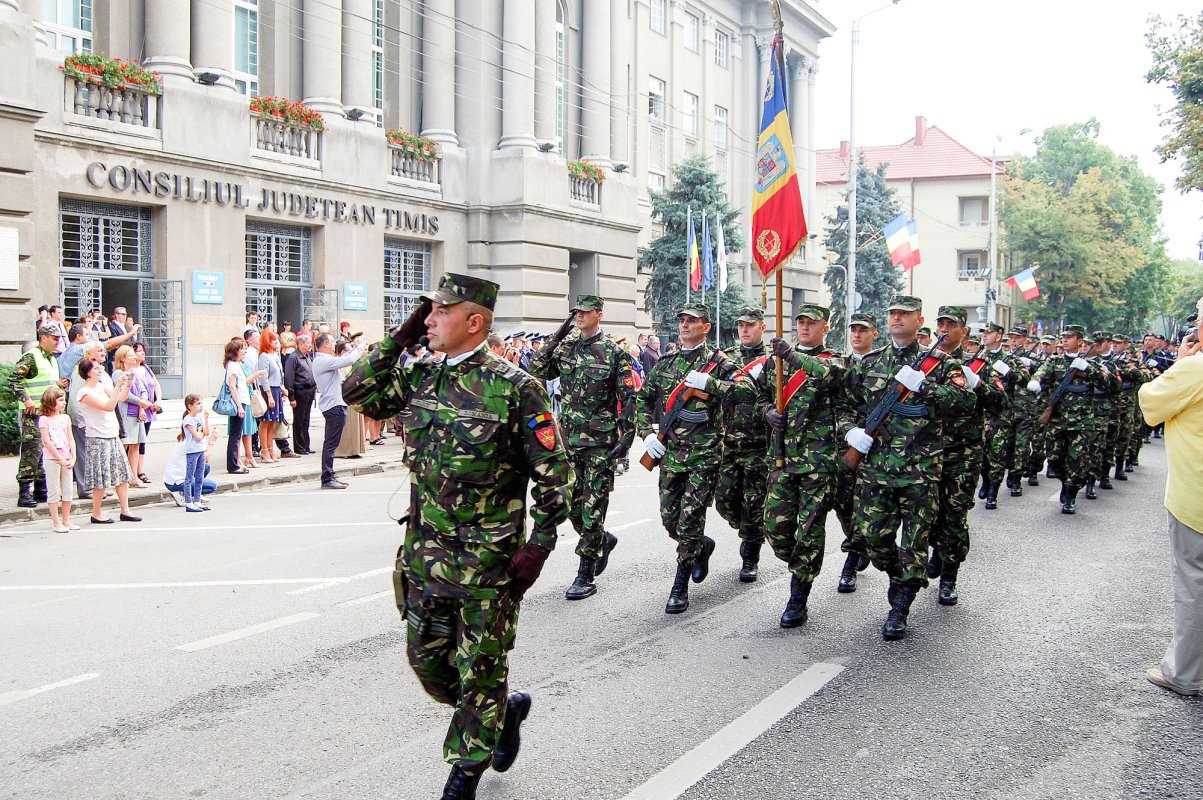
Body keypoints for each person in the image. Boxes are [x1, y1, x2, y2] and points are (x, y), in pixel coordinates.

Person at [350, 272, 572, 799]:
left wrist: (538, 545)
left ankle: (463, 776)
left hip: (487, 566)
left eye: (440, 312)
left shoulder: (517, 388)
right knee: (429, 666)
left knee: (479, 670)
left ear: (475, 322)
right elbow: (360, 392)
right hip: (425, 559)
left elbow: (555, 474)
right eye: (427, 312)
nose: (428, 320)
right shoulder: (421, 376)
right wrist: (399, 340)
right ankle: (504, 710)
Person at [842, 295, 972, 640]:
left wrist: (925, 387)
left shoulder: (942, 365)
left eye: (905, 314)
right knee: (871, 538)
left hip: (920, 471)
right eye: (893, 313)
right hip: (876, 469)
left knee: (915, 543)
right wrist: (851, 432)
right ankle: (901, 577)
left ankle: (900, 607)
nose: (897, 318)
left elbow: (966, 402)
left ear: (919, 320)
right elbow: (844, 404)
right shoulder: (869, 363)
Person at [636, 303, 752, 614]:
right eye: (682, 320)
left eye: (692, 321)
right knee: (669, 519)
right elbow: (642, 399)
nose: (685, 325)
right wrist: (647, 433)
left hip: (705, 456)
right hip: (671, 453)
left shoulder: (718, 363)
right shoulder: (666, 364)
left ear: (706, 327)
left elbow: (748, 393)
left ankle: (680, 585)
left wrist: (710, 385)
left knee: (689, 520)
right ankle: (702, 546)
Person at [528, 294, 634, 600]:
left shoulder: (615, 353)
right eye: (576, 312)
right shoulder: (567, 347)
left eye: (585, 312)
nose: (579, 316)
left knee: (592, 506)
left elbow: (628, 398)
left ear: (599, 314)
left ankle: (585, 572)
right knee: (571, 505)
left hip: (601, 443)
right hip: (569, 440)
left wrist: (626, 439)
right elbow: (536, 369)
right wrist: (557, 335)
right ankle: (602, 539)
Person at [759, 304, 845, 626]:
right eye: (801, 322)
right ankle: (799, 563)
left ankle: (798, 597)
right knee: (775, 526)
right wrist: (767, 411)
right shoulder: (776, 362)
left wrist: (792, 357)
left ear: (825, 327)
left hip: (817, 462)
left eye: (813, 322)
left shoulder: (835, 359)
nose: (805, 327)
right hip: (781, 457)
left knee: (809, 529)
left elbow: (828, 377)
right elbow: (757, 397)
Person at [1139, 300, 1203, 697]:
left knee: (1193, 582)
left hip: (1195, 495)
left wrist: (1180, 362)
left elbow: (1151, 404)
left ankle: (1184, 672)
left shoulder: (1195, 369)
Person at [929, 306, 1006, 606]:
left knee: (954, 515)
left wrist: (978, 384)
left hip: (962, 453)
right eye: (941, 323)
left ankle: (949, 576)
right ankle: (936, 551)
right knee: (926, 513)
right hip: (926, 451)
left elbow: (1002, 402)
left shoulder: (981, 365)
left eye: (952, 324)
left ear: (964, 331)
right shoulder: (926, 362)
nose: (945, 329)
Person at [714, 306, 771, 584]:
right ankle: (749, 529)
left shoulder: (772, 360)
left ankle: (750, 555)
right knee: (724, 501)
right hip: (728, 442)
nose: (744, 330)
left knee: (755, 502)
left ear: (762, 326)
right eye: (741, 325)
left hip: (759, 444)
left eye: (750, 325)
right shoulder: (727, 357)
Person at [1027, 325, 1104, 514]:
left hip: (1082, 422)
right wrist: (1036, 380)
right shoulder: (1056, 362)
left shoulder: (1092, 364)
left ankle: (1070, 496)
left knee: (1077, 461)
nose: (1065, 341)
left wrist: (1089, 370)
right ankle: (1065, 482)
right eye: (1063, 337)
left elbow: (1109, 384)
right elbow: (1043, 371)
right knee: (1054, 459)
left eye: (1069, 338)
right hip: (1058, 420)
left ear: (1080, 341)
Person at [76, 359, 141, 524]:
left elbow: (119, 398)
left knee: (122, 474)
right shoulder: (84, 393)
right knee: (100, 478)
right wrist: (118, 385)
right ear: (87, 372)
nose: (100, 370)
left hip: (112, 435)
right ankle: (96, 513)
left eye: (99, 367)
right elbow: (108, 406)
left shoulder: (101, 386)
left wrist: (127, 384)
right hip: (98, 438)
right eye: (96, 368)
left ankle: (125, 510)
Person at [11, 327, 67, 507]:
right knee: (32, 451)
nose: (57, 341)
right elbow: (13, 380)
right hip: (32, 413)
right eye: (54, 338)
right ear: (43, 338)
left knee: (44, 451)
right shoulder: (31, 356)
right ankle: (24, 493)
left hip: (48, 413)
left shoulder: (51, 358)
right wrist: (26, 399)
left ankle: (41, 490)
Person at [312, 332, 363, 489]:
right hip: (334, 407)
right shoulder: (323, 360)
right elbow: (347, 360)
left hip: (335, 405)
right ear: (325, 344)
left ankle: (329, 475)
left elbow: (344, 360)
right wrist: (360, 346)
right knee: (330, 444)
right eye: (332, 341)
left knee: (331, 443)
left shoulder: (323, 360)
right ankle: (327, 478)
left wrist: (354, 348)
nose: (334, 344)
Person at [111, 345, 153, 488]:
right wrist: (140, 401)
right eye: (130, 354)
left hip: (137, 415)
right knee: (125, 445)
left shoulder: (134, 372)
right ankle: (121, 477)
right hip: (126, 415)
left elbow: (143, 390)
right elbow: (124, 394)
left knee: (136, 446)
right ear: (123, 358)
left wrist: (142, 405)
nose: (134, 356)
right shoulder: (118, 373)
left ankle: (134, 477)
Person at [37, 387, 77, 533]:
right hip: (52, 459)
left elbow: (70, 438)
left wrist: (73, 457)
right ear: (51, 402)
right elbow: (47, 442)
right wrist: (60, 459)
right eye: (60, 400)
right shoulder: (44, 420)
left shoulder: (65, 418)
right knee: (53, 491)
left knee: (68, 490)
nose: (64, 403)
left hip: (67, 458)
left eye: (64, 400)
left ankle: (66, 520)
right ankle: (56, 522)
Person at [224, 338, 264, 473]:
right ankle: (234, 465)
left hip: (243, 401)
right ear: (236, 351)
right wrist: (239, 406)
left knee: (236, 434)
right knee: (235, 435)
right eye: (242, 349)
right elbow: (232, 387)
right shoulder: (233, 366)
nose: (245, 351)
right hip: (239, 402)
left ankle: (235, 463)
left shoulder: (236, 364)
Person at [334, 339, 369, 460]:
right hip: (345, 397)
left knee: (355, 425)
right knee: (347, 426)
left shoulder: (350, 365)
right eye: (347, 350)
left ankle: (355, 449)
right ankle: (344, 450)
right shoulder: (339, 364)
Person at [132, 341, 163, 474]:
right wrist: (143, 406)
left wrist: (158, 401)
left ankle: (140, 470)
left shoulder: (146, 369)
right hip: (138, 409)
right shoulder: (132, 371)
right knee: (136, 442)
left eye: (143, 350)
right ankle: (134, 472)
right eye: (138, 350)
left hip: (150, 408)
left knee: (143, 441)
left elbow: (156, 385)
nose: (142, 353)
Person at [256, 331, 287, 462]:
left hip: (276, 388)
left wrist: (281, 388)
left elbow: (279, 374)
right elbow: (264, 377)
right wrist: (269, 395)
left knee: (272, 422)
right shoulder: (264, 356)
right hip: (268, 390)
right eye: (273, 341)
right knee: (266, 420)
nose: (276, 343)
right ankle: (264, 450)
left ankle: (270, 449)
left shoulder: (274, 355)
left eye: (277, 340)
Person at [285, 333, 317, 454]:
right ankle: (299, 446)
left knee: (306, 419)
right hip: (300, 391)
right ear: (301, 344)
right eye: (308, 343)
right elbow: (289, 378)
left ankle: (305, 445)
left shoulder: (307, 356)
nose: (310, 345)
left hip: (309, 390)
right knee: (299, 420)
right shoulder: (294, 358)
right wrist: (291, 397)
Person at [179, 394, 211, 512]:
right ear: (190, 406)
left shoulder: (198, 418)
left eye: (201, 403)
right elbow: (197, 436)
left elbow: (206, 432)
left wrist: (206, 419)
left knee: (199, 476)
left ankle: (197, 500)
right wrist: (202, 434)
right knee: (189, 477)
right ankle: (188, 502)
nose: (200, 406)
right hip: (192, 450)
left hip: (201, 449)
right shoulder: (188, 420)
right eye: (198, 404)